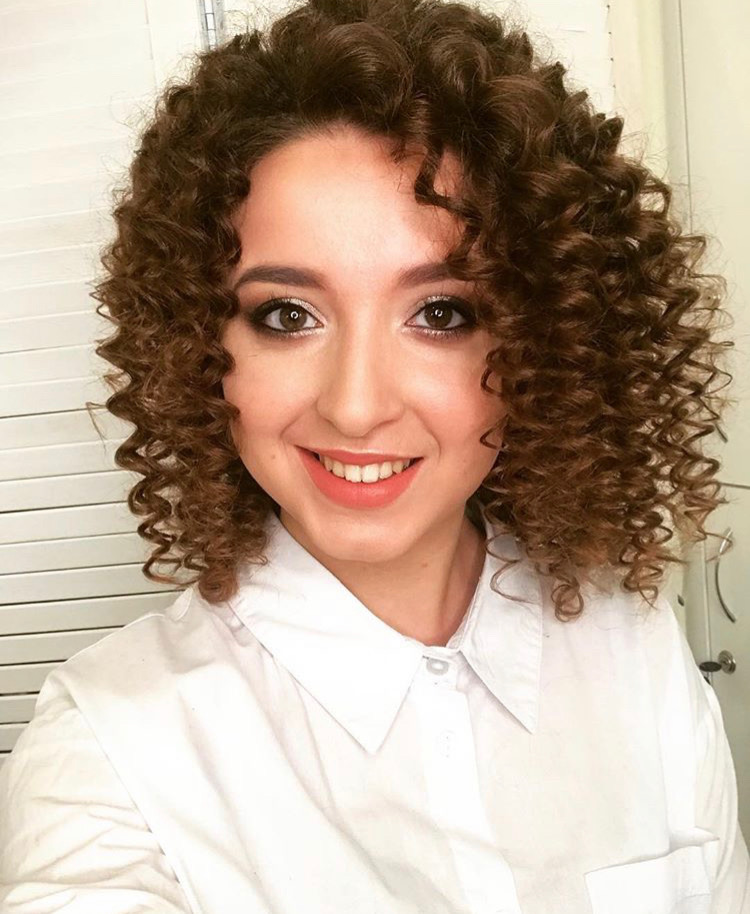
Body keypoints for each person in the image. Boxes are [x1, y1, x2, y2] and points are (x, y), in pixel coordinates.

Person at [1, 0, 748, 910]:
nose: (355, 406)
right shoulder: (108, 747)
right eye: (287, 315)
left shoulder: (635, 646)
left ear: (547, 342)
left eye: (442, 313)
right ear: (202, 347)